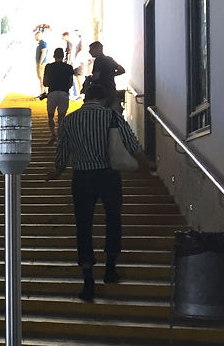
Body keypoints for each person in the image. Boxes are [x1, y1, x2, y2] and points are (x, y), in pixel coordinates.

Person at [44, 84, 154, 302]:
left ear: (85, 97)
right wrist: (145, 166)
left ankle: (88, 282)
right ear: (104, 97)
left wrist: (56, 172)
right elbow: (132, 145)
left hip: (82, 178)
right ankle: (110, 269)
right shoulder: (112, 117)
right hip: (108, 176)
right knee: (113, 219)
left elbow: (62, 153)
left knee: (83, 226)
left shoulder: (70, 120)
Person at [42, 47, 74, 145]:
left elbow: (45, 83)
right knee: (61, 118)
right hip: (64, 93)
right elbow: (70, 83)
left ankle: (53, 135)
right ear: (63, 56)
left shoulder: (49, 67)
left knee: (50, 116)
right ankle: (61, 138)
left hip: (52, 93)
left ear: (54, 56)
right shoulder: (69, 68)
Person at [87, 40, 126, 110]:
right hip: (111, 88)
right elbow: (122, 70)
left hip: (100, 91)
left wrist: (89, 78)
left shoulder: (98, 60)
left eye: (91, 49)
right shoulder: (109, 59)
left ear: (98, 49)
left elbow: (96, 76)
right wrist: (111, 75)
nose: (89, 52)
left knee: (101, 110)